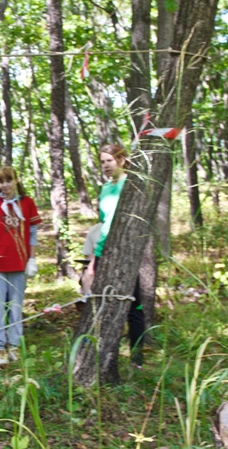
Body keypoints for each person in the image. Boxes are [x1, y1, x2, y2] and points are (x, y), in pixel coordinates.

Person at [86, 144, 145, 367]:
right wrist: (93, 259)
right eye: (102, 162)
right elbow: (103, 222)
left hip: (125, 251)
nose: (105, 166)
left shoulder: (132, 183)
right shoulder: (104, 189)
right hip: (103, 251)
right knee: (103, 305)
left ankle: (137, 359)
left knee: (134, 305)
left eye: (109, 160)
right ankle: (104, 358)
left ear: (121, 159)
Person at [0, 166, 41, 365]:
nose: (5, 185)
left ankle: (14, 343)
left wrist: (32, 258)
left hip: (19, 263)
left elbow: (32, 232)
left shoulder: (27, 203)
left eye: (8, 180)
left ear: (16, 180)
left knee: (15, 307)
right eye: (1, 182)